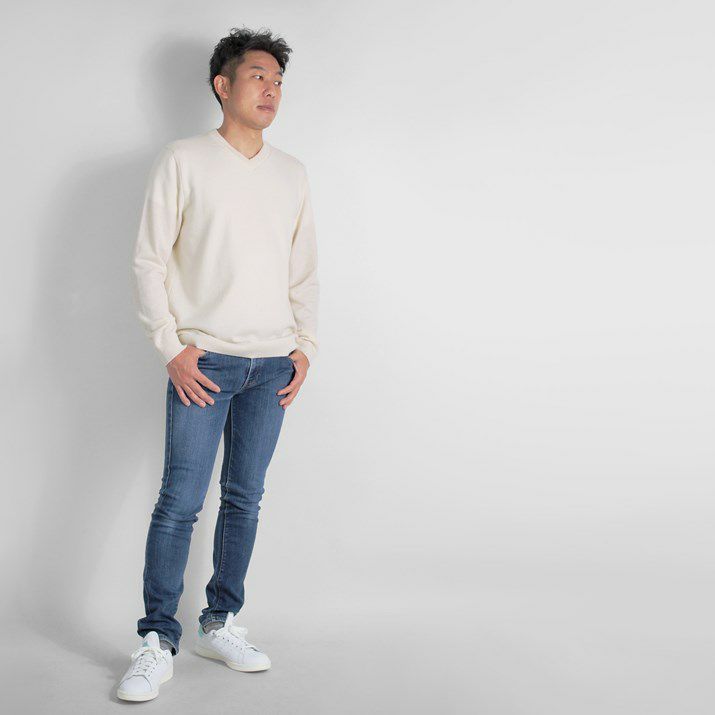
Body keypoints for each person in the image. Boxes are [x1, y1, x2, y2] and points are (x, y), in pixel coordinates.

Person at [116, 26, 319, 702]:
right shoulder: (184, 159)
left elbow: (304, 270)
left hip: (272, 365)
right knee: (180, 501)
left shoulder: (292, 173)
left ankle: (221, 621)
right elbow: (148, 260)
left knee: (244, 499)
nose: (272, 89)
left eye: (279, 81)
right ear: (222, 85)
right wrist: (170, 346)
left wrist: (305, 347)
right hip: (204, 362)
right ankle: (156, 639)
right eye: (259, 76)